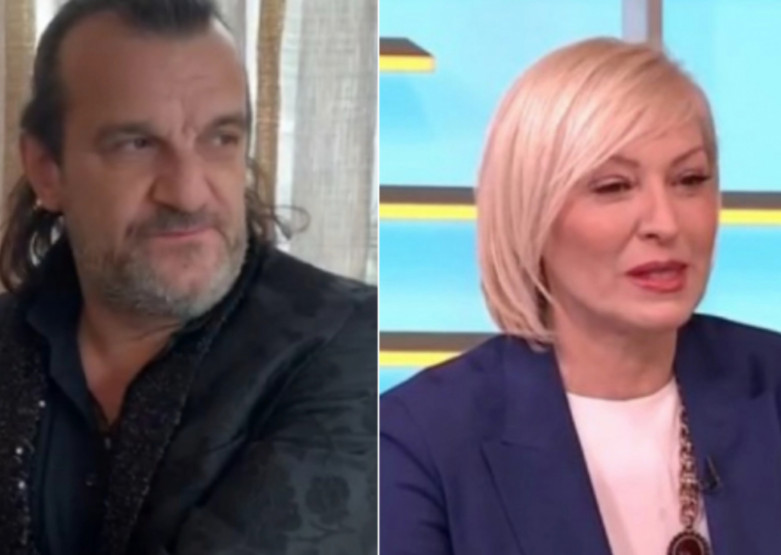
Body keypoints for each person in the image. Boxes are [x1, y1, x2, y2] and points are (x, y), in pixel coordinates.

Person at [0, 0, 377, 553]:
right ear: (47, 171)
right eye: (136, 145)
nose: (188, 193)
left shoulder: (351, 343)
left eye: (220, 139)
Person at [381, 37, 781, 555]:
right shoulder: (418, 441)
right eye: (613, 187)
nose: (665, 223)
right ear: (532, 213)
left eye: (689, 179)